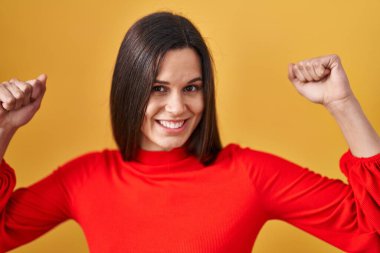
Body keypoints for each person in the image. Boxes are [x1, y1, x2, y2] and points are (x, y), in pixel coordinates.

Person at [0, 11, 379, 253]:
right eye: (159, 88)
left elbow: (371, 231)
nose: (178, 107)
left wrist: (342, 104)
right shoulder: (84, 179)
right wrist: (3, 129)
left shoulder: (250, 174)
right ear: (129, 89)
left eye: (192, 87)